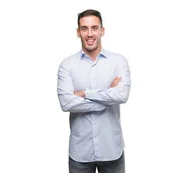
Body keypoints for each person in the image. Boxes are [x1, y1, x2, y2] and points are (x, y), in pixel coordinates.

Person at [57, 9, 130, 173]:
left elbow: (122, 95)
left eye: (94, 28)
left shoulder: (118, 62)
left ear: (102, 31)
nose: (90, 34)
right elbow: (66, 103)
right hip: (80, 153)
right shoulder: (67, 65)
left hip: (112, 149)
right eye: (84, 28)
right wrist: (107, 97)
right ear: (78, 32)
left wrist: (84, 93)